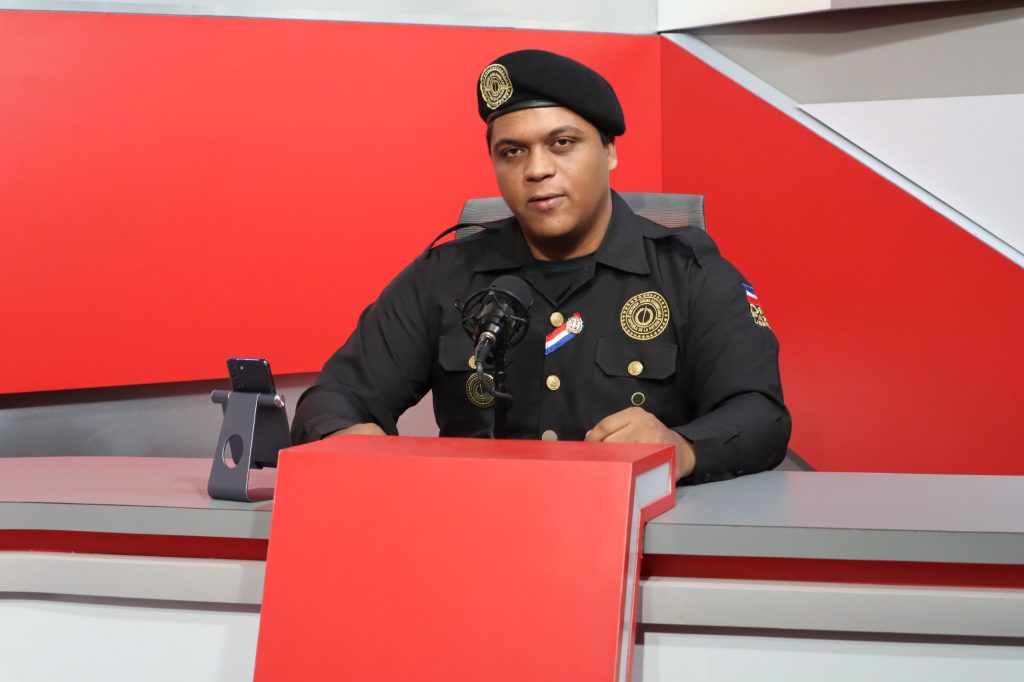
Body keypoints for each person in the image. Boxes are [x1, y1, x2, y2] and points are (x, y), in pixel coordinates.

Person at [291, 49, 790, 484]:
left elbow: (761, 415)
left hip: (630, 534)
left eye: (562, 143)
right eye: (512, 152)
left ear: (610, 150)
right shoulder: (444, 275)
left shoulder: (690, 274)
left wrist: (682, 448)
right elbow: (335, 396)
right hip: (471, 528)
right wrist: (345, 435)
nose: (536, 169)